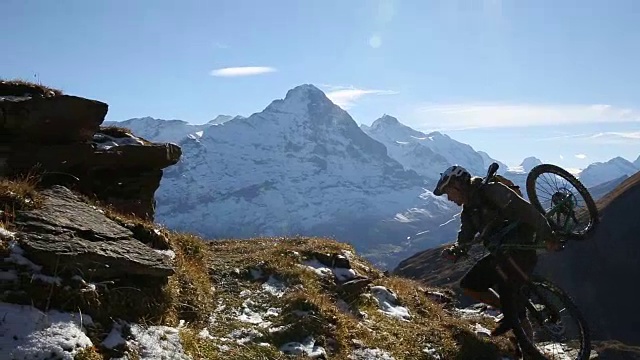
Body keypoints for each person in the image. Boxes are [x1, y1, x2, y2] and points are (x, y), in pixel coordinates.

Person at [433, 165, 560, 337]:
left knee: (506, 281)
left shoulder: (492, 190)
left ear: (458, 185)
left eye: (449, 192)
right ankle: (512, 317)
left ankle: (514, 322)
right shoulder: (469, 212)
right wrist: (456, 251)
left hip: (521, 247)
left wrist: (548, 235)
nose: (449, 198)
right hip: (501, 254)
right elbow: (465, 237)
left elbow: (527, 211)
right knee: (470, 284)